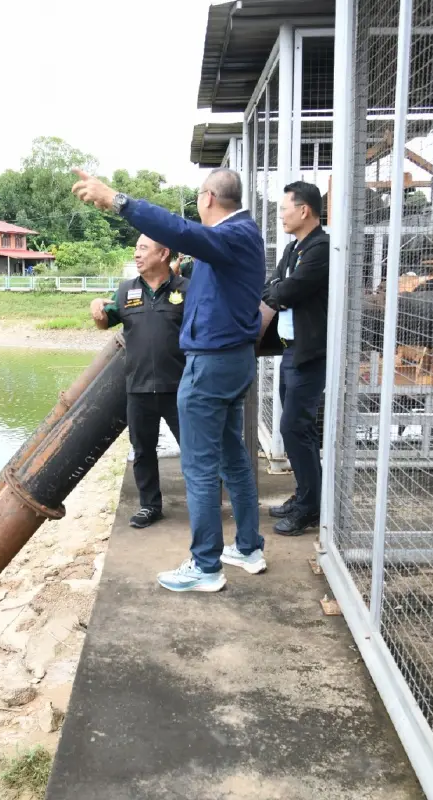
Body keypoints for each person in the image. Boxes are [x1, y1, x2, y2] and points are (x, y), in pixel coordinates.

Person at [72, 167, 267, 592]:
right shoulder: (241, 238)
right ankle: (248, 547)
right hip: (232, 362)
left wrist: (118, 201)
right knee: (232, 455)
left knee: (198, 465)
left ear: (207, 199)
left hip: (211, 365)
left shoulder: (231, 236)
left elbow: (184, 234)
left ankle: (206, 566)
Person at [90, 234, 189, 529]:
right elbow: (104, 320)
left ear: (164, 253)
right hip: (139, 387)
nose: (136, 254)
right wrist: (96, 307)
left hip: (181, 388)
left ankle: (202, 503)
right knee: (143, 450)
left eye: (143, 248)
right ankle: (150, 506)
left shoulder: (187, 289)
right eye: (135, 249)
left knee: (193, 449)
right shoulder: (125, 291)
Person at [262, 182, 330, 536]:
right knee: (295, 429)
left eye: (284, 209)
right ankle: (305, 495)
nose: (282, 216)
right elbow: (272, 287)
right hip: (291, 350)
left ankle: (309, 507)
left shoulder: (322, 248)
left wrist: (279, 293)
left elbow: (288, 290)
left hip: (310, 353)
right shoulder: (293, 249)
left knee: (294, 427)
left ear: (304, 210)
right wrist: (279, 292)